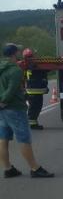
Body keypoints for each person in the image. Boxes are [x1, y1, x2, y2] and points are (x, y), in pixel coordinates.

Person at [0, 44, 53, 178]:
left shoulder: (1, 67)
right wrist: (4, 101)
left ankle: (7, 168)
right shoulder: (15, 70)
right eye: (17, 51)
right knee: (24, 138)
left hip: (3, 111)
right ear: (14, 54)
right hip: (14, 108)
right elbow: (11, 89)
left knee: (3, 139)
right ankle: (35, 168)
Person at [22, 48, 49, 130]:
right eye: (34, 55)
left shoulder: (26, 65)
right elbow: (47, 69)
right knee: (34, 108)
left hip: (32, 91)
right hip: (35, 91)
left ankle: (33, 123)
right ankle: (32, 124)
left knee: (35, 108)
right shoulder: (35, 65)